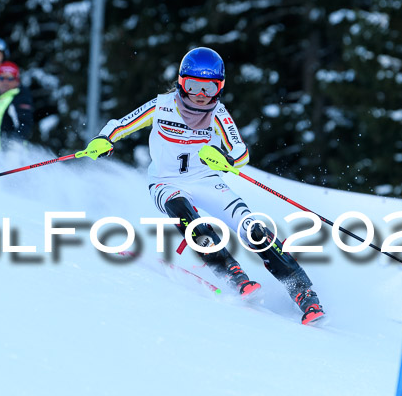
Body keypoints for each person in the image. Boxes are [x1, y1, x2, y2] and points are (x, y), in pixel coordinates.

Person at [80, 47, 325, 324]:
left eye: (209, 88)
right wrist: (104, 139)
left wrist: (226, 160)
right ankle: (232, 273)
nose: (200, 94)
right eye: (193, 85)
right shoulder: (161, 106)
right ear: (181, 82)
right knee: (184, 213)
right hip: (165, 182)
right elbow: (120, 125)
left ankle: (304, 294)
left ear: (219, 88)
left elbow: (241, 153)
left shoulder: (218, 113)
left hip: (206, 180)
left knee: (253, 228)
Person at [0, 61, 34, 151]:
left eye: (10, 78)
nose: (5, 82)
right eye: (1, 78)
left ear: (17, 80)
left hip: (7, 154)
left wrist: (14, 144)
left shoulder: (19, 96)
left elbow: (25, 124)